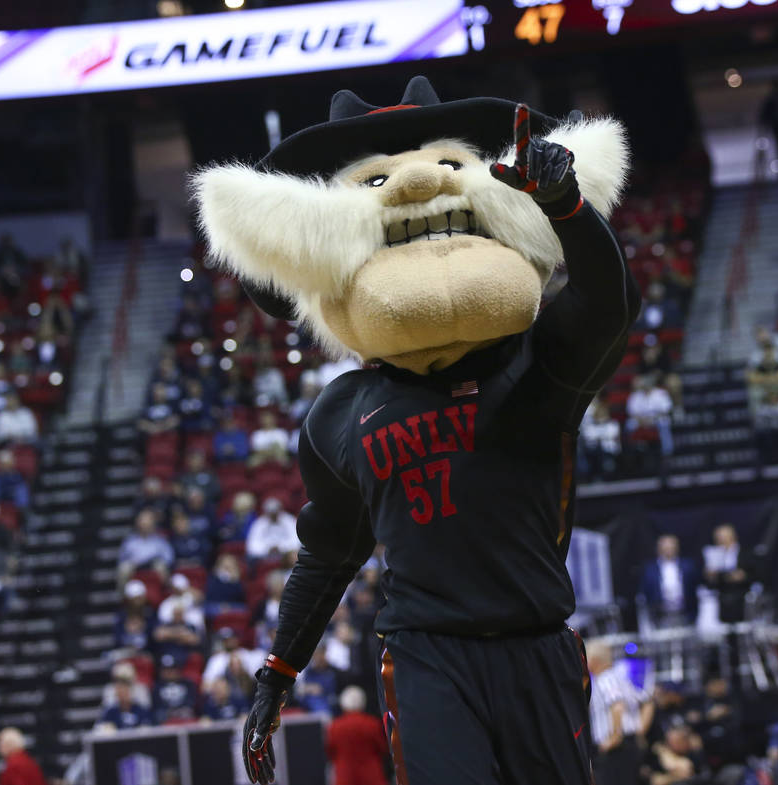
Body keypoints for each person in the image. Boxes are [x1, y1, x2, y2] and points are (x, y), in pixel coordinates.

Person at [197, 79, 639, 785]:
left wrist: (567, 207)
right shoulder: (338, 413)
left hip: (537, 640)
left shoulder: (540, 359)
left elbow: (607, 301)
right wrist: (276, 673)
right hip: (426, 650)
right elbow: (328, 553)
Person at [587, 639, 653, 785]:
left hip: (616, 749)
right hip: (629, 744)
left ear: (594, 659)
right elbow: (647, 701)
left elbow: (617, 705)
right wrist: (640, 730)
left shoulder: (606, 678)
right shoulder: (621, 679)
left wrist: (615, 736)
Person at [326, 686, 389, 785]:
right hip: (371, 775)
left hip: (345, 776)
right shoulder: (372, 723)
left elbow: (330, 751)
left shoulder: (334, 726)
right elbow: (382, 748)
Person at [639, 535, 699, 626]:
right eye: (665, 547)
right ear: (658, 549)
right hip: (660, 616)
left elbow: (695, 587)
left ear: (677, 548)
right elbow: (645, 591)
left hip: (685, 614)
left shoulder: (688, 565)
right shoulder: (649, 569)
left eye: (671, 547)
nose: (668, 550)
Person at [703, 524, 753, 624]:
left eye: (724, 537)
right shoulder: (712, 555)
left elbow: (753, 574)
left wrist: (742, 576)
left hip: (743, 599)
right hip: (722, 601)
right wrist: (710, 576)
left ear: (733, 537)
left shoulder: (746, 553)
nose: (721, 541)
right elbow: (710, 581)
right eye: (718, 538)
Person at [117, 509, 174, 585]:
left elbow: (168, 558)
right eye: (142, 521)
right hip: (135, 566)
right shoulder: (130, 540)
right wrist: (133, 561)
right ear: (137, 523)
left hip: (154, 565)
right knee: (124, 568)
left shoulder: (160, 539)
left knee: (161, 566)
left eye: (147, 521)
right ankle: (124, 595)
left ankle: (165, 591)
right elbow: (122, 558)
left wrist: (158, 561)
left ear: (153, 523)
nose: (145, 524)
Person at [202, 628, 266, 693]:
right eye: (226, 640)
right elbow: (206, 685)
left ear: (236, 639)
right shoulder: (216, 659)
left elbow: (255, 676)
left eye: (231, 638)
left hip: (247, 693)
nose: (229, 642)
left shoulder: (246, 654)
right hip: (226, 694)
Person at [626, 375, 675, 456]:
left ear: (652, 384)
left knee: (664, 423)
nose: (646, 386)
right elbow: (632, 412)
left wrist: (652, 419)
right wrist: (641, 420)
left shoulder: (661, 393)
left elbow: (666, 410)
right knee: (629, 425)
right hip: (640, 420)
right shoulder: (635, 395)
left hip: (657, 418)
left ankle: (667, 450)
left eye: (648, 384)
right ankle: (631, 449)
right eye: (644, 385)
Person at [578, 399, 621, 480]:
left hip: (611, 453)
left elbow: (613, 435)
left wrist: (600, 437)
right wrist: (603, 437)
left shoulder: (613, 424)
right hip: (594, 455)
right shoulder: (591, 427)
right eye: (599, 413)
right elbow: (589, 438)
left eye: (603, 412)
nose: (601, 415)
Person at [245, 498, 299, 563]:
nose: (273, 515)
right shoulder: (259, 523)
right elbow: (252, 545)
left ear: (280, 510)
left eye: (275, 512)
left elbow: (296, 541)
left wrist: (281, 548)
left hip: (286, 556)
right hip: (263, 557)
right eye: (271, 512)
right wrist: (267, 549)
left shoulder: (289, 520)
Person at [152, 654, 198, 724]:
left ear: (178, 670)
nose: (169, 673)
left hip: (184, 713)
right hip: (165, 715)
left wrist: (179, 710)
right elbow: (157, 705)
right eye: (165, 669)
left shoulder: (187, 684)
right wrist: (170, 711)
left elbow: (191, 702)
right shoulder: (157, 686)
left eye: (172, 669)